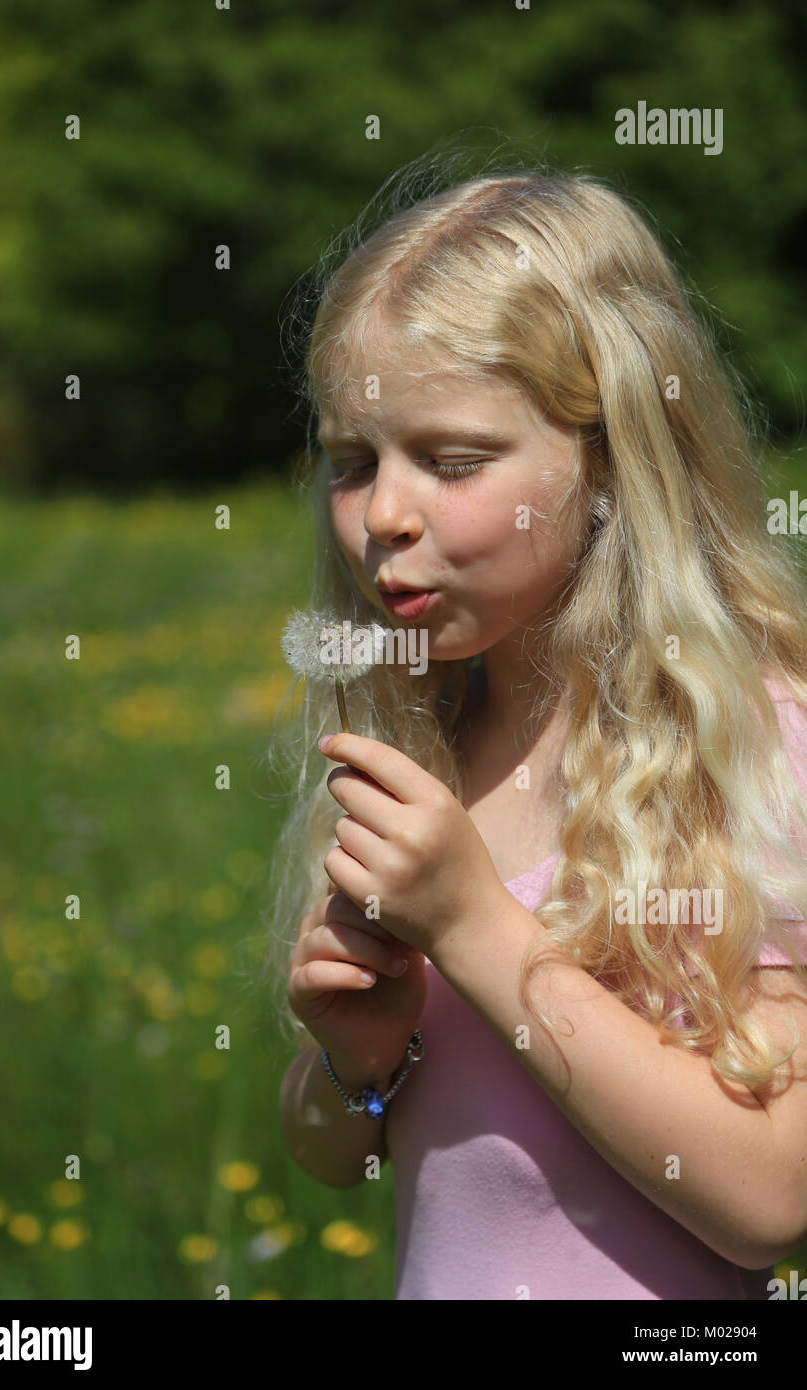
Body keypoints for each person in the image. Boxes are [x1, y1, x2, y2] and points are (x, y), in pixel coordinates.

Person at [263, 161, 807, 1299]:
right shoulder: (422, 745)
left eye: (451, 461)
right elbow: (333, 1155)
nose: (387, 516)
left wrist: (473, 927)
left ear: (608, 459)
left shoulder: (741, 744)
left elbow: (767, 1198)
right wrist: (353, 1059)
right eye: (353, 464)